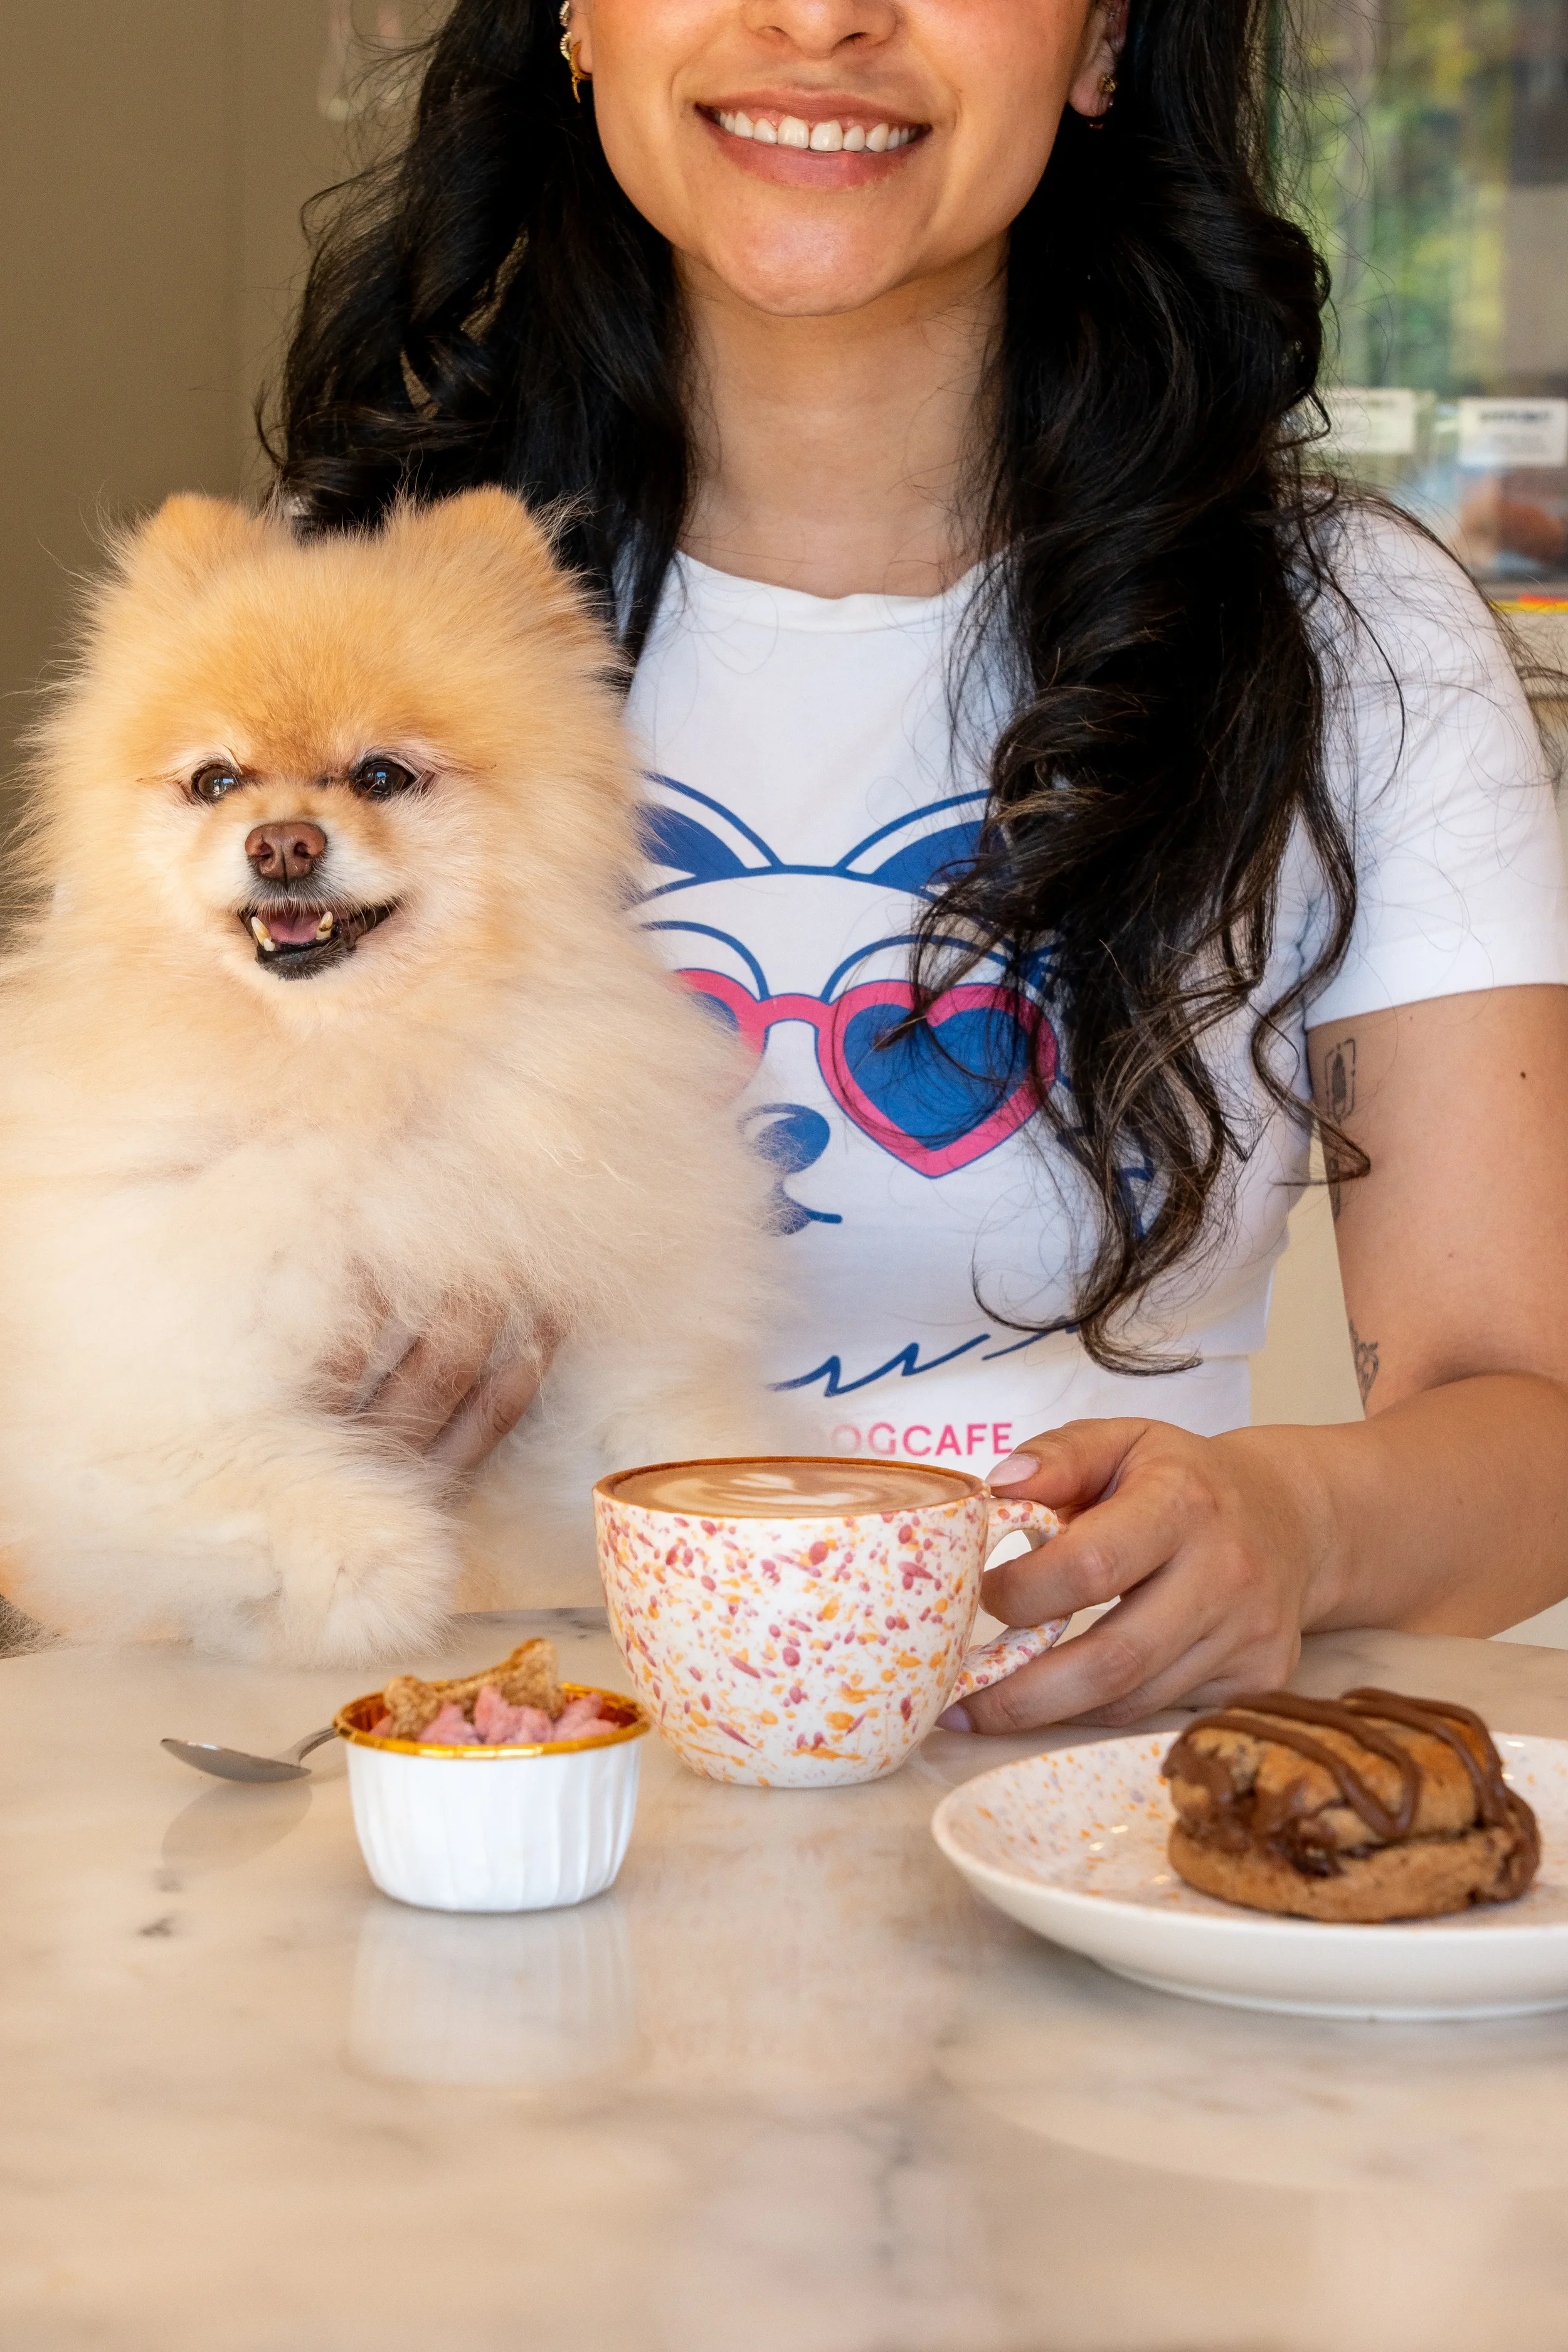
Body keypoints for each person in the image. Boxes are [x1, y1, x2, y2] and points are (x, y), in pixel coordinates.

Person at [275, 0, 1568, 1732]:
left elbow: (1531, 1415)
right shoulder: (328, 640)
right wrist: (255, 1416)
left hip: (1101, 1828)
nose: (819, 17)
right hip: (493, 1790)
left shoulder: (1348, 634)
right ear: (577, 19)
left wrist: (1302, 1521)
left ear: (1102, 38)